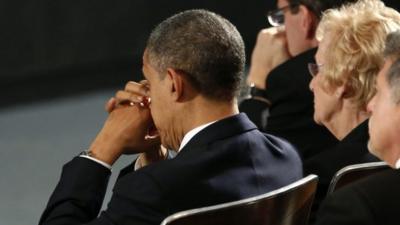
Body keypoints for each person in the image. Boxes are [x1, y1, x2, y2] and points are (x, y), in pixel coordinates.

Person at [39, 9, 302, 225]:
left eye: (150, 82)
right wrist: (155, 157)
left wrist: (102, 148)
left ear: (175, 84)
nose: (147, 96)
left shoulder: (155, 190)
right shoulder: (284, 156)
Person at [304, 0, 400, 215]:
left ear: (342, 81)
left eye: (317, 69)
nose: (311, 84)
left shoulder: (316, 180)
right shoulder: (393, 152)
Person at [240, 0, 356, 160]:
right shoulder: (376, 58)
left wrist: (258, 85)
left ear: (304, 18)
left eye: (282, 16)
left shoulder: (286, 79)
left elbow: (252, 157)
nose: (280, 28)